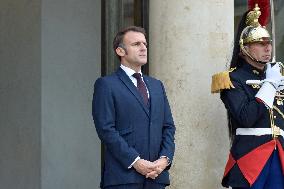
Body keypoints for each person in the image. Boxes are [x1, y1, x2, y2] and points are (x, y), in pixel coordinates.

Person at [92, 26, 175, 189]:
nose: (143, 48)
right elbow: (106, 129)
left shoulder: (157, 85)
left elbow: (168, 127)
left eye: (144, 44)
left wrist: (164, 160)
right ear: (120, 51)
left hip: (156, 178)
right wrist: (135, 161)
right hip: (123, 178)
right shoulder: (106, 85)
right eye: (136, 44)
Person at [211, 4, 284, 189]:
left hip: (280, 155)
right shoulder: (232, 79)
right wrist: (269, 85)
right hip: (250, 158)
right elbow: (247, 117)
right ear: (245, 49)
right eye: (260, 43)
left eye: (268, 43)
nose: (267, 48)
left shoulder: (276, 75)